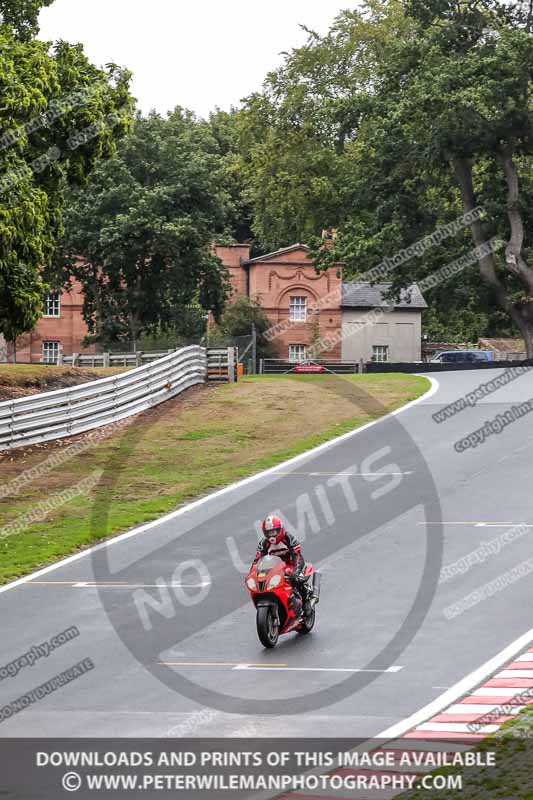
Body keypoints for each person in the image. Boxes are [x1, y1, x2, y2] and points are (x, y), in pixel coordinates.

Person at [253, 515, 311, 613]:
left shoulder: (289, 538)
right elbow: (257, 560)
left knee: (297, 579)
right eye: (268, 533)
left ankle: (306, 602)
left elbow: (297, 555)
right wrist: (254, 572)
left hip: (293, 562)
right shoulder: (264, 543)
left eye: (273, 532)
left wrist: (296, 571)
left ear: (280, 529)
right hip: (276, 567)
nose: (271, 536)